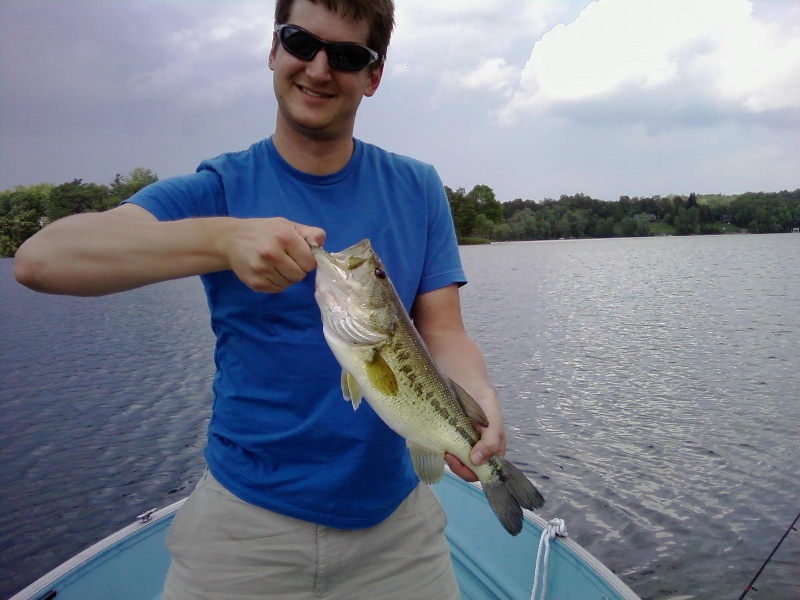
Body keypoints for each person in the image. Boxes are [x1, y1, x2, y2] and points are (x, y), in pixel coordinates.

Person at [14, 0, 508, 598]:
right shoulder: (220, 187)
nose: (319, 70)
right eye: (301, 42)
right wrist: (223, 238)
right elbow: (41, 261)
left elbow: (445, 334)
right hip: (244, 528)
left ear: (373, 76)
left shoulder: (418, 187)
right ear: (273, 49)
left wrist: (476, 397)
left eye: (348, 55)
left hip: (396, 527)